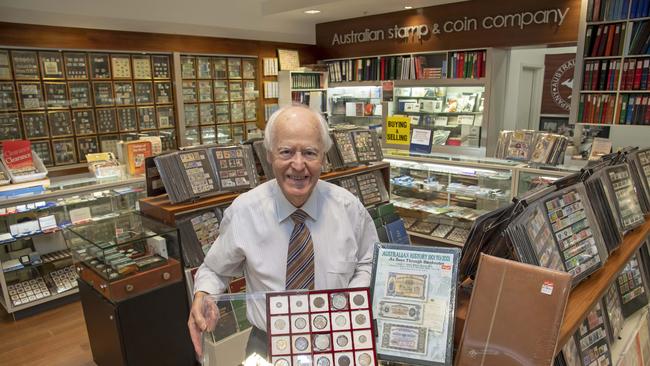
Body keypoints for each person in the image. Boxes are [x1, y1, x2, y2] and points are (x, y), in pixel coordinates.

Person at [187, 104, 379, 357]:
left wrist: (350, 307)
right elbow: (214, 268)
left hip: (338, 338)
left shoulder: (349, 209)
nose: (298, 165)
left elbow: (368, 262)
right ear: (269, 154)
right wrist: (204, 293)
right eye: (286, 152)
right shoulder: (245, 211)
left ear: (323, 155)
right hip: (266, 343)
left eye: (310, 153)